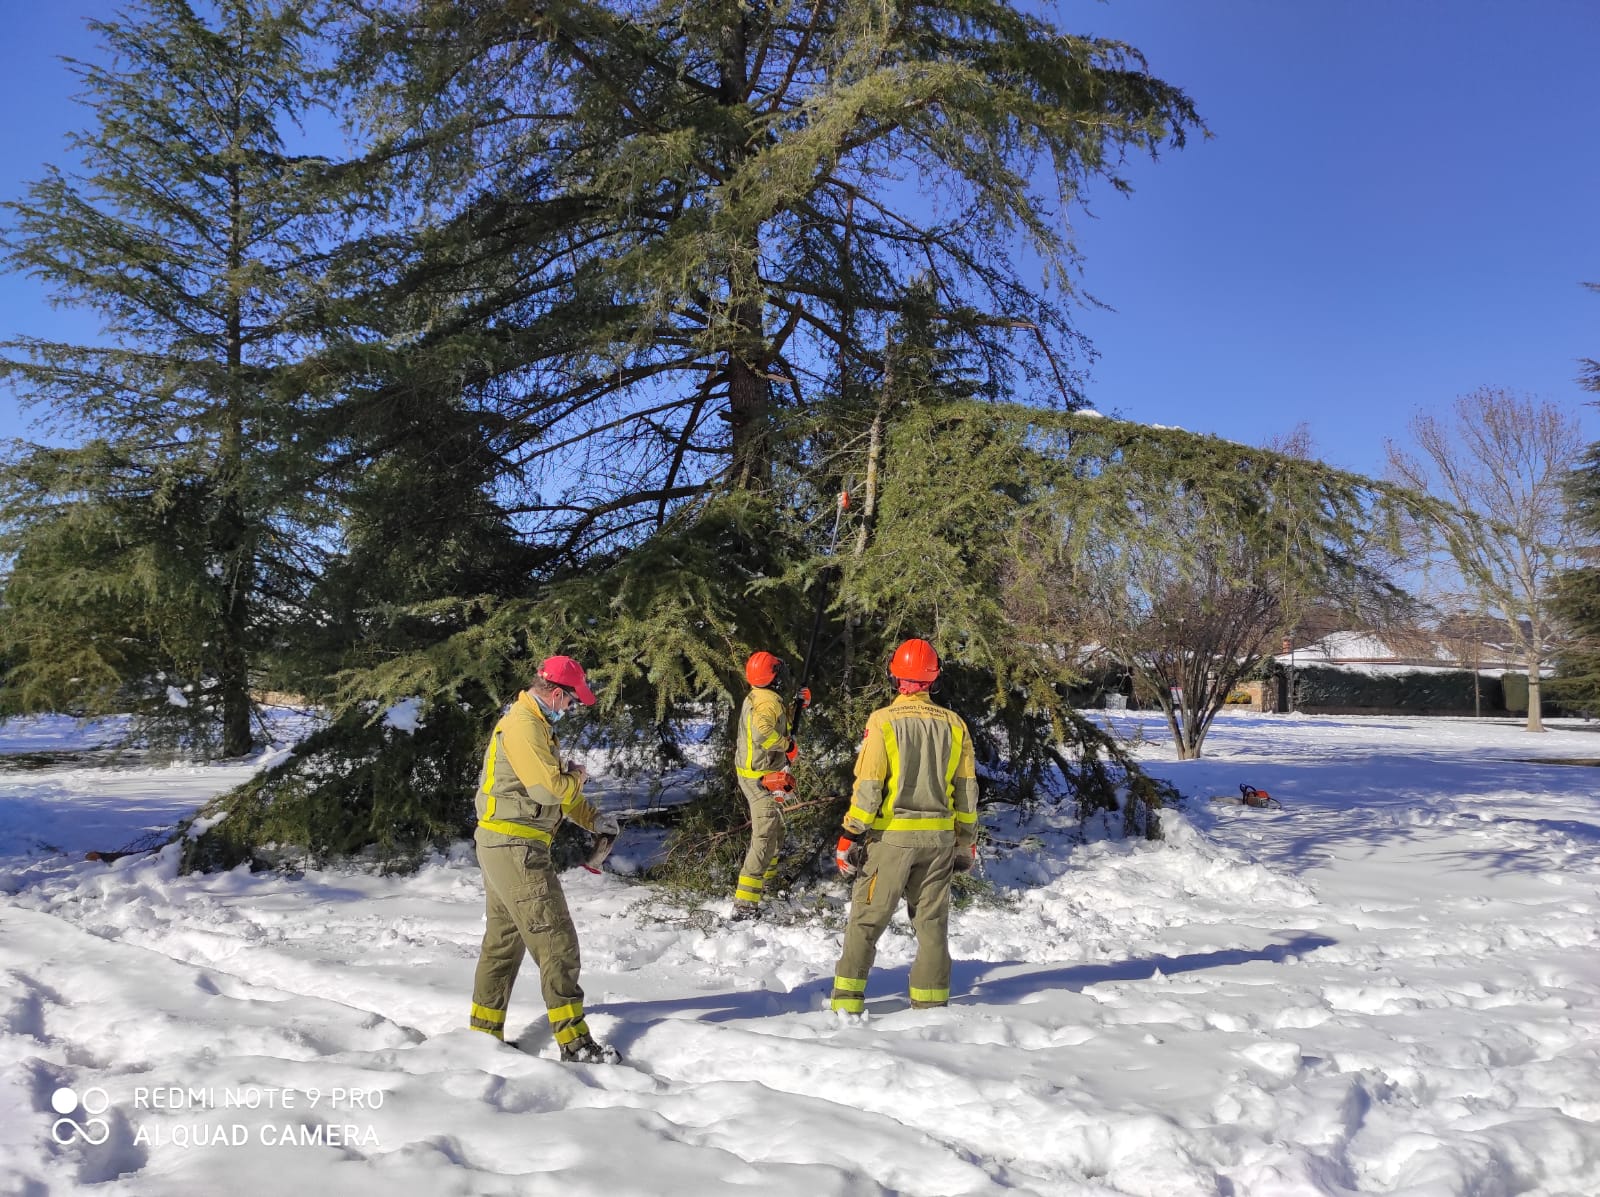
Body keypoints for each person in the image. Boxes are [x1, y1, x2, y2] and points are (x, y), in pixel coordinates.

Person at [468, 655, 621, 1063]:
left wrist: (594, 820)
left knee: (504, 945)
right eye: (571, 702)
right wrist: (578, 778)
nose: (571, 709)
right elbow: (549, 790)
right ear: (557, 692)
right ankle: (575, 1044)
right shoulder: (524, 726)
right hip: (515, 849)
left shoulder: (536, 726)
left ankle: (481, 1041)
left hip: (504, 843)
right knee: (557, 942)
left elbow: (555, 790)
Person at [830, 638, 979, 1013]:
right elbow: (966, 791)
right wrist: (966, 841)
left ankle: (846, 1004)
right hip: (940, 841)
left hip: (892, 841)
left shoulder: (883, 721)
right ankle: (930, 1006)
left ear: (894, 674)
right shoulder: (956, 725)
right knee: (931, 924)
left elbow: (869, 786)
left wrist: (851, 833)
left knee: (867, 920)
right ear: (934, 678)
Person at [730, 650, 798, 921]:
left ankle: (767, 886)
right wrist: (787, 746)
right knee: (765, 836)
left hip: (758, 773)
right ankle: (744, 905)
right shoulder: (767, 702)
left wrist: (797, 705)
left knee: (776, 831)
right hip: (760, 779)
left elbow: (777, 723)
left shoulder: (760, 696)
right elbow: (763, 733)